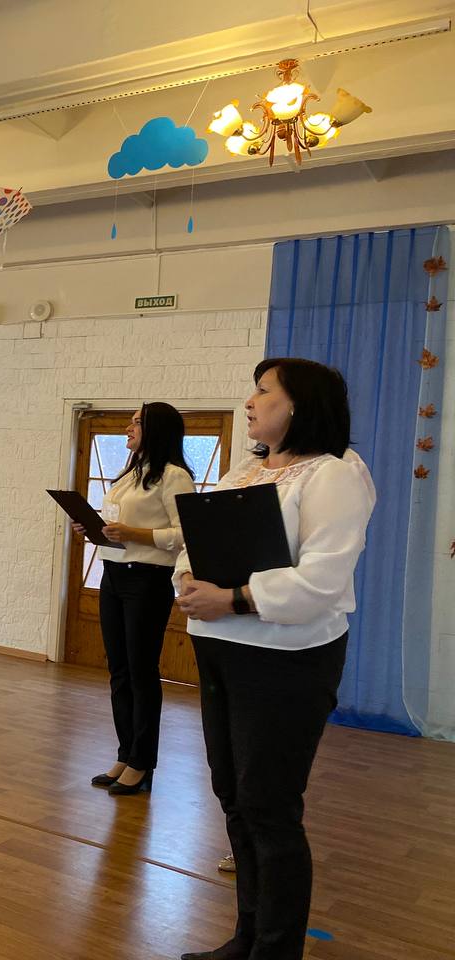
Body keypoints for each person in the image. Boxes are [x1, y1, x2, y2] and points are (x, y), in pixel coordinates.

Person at [174, 358, 375, 960]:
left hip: (286, 659)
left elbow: (322, 580)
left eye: (263, 391)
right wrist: (186, 576)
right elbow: (195, 542)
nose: (250, 401)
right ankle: (248, 937)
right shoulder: (245, 471)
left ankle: (277, 949)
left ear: (298, 405)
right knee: (234, 798)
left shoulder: (335, 474)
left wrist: (233, 598)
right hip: (221, 647)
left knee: (269, 806)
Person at [75, 403, 195, 797]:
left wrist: (133, 533)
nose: (128, 427)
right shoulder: (131, 473)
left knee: (142, 673)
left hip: (147, 579)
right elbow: (118, 526)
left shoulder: (175, 476)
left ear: (156, 429)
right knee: (119, 671)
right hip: (114, 574)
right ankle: (125, 754)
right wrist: (94, 529)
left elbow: (186, 533)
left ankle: (143, 763)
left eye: (137, 422)